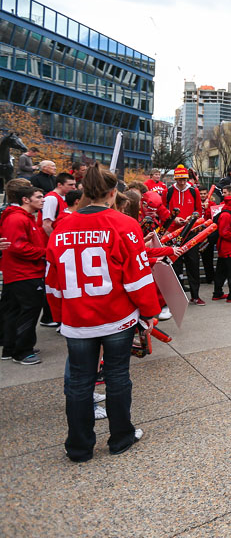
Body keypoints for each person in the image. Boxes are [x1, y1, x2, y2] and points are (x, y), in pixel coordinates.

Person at [44, 165, 160, 462]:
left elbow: (52, 281)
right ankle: (121, 437)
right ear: (112, 193)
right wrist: (150, 311)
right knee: (117, 377)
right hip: (116, 317)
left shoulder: (62, 228)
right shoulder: (123, 224)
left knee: (79, 382)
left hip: (77, 319)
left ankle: (79, 446)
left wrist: (60, 315)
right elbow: (137, 277)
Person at [0, 179, 46, 364]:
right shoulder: (17, 218)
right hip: (24, 273)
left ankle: (11, 348)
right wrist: (44, 252)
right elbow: (17, 247)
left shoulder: (23, 217)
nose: (43, 200)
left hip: (21, 272)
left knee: (15, 311)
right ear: (26, 199)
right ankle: (22, 351)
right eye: (39, 197)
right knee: (28, 311)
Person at [165, 166, 205, 305]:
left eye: (184, 179)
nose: (182, 182)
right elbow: (164, 210)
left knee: (193, 264)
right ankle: (177, 297)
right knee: (175, 266)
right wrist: (173, 218)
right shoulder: (169, 191)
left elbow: (199, 210)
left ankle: (195, 296)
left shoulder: (194, 191)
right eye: (179, 179)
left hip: (190, 232)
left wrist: (191, 218)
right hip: (173, 234)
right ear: (175, 179)